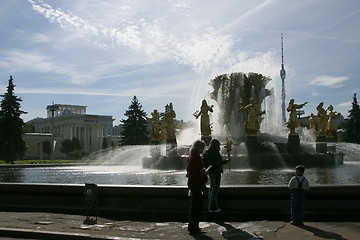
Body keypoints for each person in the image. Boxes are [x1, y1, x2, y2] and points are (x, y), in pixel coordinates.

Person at [186, 140, 208, 235]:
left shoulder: (191, 155)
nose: (203, 149)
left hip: (192, 182)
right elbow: (196, 171)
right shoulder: (195, 157)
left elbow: (189, 169)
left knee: (196, 205)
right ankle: (194, 228)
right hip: (196, 183)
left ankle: (193, 226)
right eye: (202, 147)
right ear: (198, 147)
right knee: (197, 206)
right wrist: (205, 172)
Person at [205, 138, 230, 213]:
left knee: (212, 188)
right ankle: (213, 207)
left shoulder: (209, 151)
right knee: (215, 189)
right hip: (216, 171)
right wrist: (226, 161)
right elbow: (217, 162)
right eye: (218, 145)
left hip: (212, 172)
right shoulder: (214, 152)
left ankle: (211, 205)